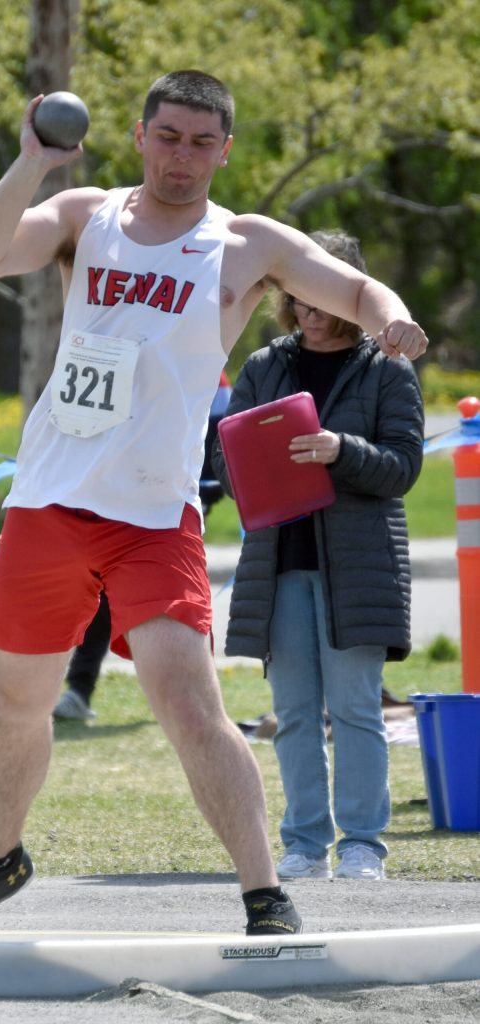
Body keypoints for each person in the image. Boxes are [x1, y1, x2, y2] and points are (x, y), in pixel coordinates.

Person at [0, 70, 428, 958]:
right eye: (168, 136)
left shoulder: (245, 243)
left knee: (190, 701)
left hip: (153, 514)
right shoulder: (85, 214)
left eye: (201, 141)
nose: (182, 156)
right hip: (49, 502)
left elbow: (355, 290)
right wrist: (32, 161)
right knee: (21, 706)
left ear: (224, 150)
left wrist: (397, 318)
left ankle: (265, 894)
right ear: (142, 136)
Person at [212, 229, 424, 882]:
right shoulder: (263, 366)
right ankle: (304, 846)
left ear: (350, 291)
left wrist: (342, 451)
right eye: (298, 291)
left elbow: (403, 468)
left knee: (356, 710)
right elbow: (224, 456)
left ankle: (362, 846)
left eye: (323, 290)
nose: (309, 305)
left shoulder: (387, 368)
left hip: (358, 570)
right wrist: (244, 464)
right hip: (278, 566)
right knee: (296, 714)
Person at [53, 370, 233, 721]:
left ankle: (192, 696)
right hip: (112, 498)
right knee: (104, 592)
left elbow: (218, 440)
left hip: (173, 507)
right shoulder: (113, 350)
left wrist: (206, 489)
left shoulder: (207, 366)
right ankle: (80, 688)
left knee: (176, 604)